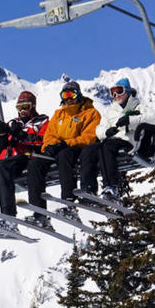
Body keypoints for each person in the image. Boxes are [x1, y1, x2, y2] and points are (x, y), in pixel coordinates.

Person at [25, 80, 101, 225]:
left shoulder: (90, 112)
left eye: (71, 94)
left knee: (64, 155)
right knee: (35, 163)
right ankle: (39, 212)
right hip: (58, 149)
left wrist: (66, 143)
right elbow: (49, 135)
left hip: (78, 149)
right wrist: (50, 146)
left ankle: (69, 202)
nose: (68, 98)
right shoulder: (59, 115)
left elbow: (90, 136)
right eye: (65, 95)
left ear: (78, 95)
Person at [0, 91, 48, 222]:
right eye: (20, 108)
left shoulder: (41, 121)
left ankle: (8, 214)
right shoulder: (12, 123)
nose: (22, 111)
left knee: (1, 168)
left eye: (26, 107)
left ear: (33, 106)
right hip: (7, 159)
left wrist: (21, 136)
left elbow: (43, 141)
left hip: (26, 157)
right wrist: (2, 134)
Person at [79, 77, 146, 198]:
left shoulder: (138, 106)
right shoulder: (110, 110)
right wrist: (106, 132)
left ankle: (112, 186)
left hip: (130, 140)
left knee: (107, 146)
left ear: (128, 92)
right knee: (90, 149)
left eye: (119, 91)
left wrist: (131, 120)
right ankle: (88, 188)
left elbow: (151, 118)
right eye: (113, 92)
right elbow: (99, 129)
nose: (116, 95)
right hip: (112, 140)